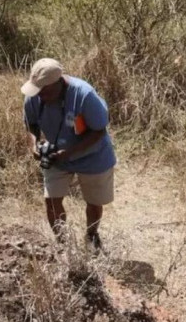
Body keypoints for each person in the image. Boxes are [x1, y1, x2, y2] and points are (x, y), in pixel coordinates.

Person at [22, 58, 116, 251]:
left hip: (92, 157)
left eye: (44, 91)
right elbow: (31, 124)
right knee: (51, 201)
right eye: (37, 90)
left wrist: (71, 152)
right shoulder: (34, 94)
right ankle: (62, 244)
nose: (39, 95)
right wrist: (34, 144)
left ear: (58, 83)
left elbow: (99, 130)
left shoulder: (84, 95)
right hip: (57, 156)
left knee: (94, 202)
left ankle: (91, 235)